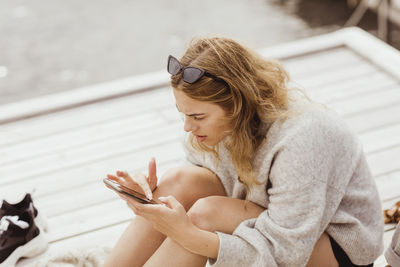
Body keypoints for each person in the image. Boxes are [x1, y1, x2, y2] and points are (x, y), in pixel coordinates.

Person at [102, 37, 384, 267]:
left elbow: (288, 252)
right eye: (183, 114)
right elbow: (196, 181)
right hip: (269, 218)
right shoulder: (218, 126)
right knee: (177, 183)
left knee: (204, 215)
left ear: (237, 104)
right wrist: (149, 199)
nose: (188, 126)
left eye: (198, 117)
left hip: (332, 248)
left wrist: (188, 234)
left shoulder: (303, 136)